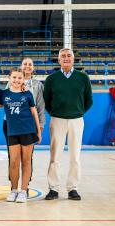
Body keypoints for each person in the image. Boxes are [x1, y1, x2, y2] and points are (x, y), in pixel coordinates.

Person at [43, 48, 93, 201]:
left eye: (68, 56)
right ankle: (53, 189)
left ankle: (73, 188)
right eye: (62, 56)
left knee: (75, 156)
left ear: (73, 59)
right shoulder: (51, 79)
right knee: (54, 157)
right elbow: (47, 101)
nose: (66, 58)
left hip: (76, 120)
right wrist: (56, 113)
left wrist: (77, 112)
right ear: (58, 60)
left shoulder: (83, 77)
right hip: (57, 120)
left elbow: (88, 100)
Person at [0, 68, 42, 203]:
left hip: (28, 130)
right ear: (9, 78)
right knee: (14, 161)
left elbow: (34, 113)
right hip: (12, 131)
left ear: (23, 79)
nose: (17, 80)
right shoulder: (3, 94)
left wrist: (38, 131)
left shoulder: (28, 94)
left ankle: (23, 191)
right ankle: (13, 190)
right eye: (14, 77)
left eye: (19, 78)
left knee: (27, 161)